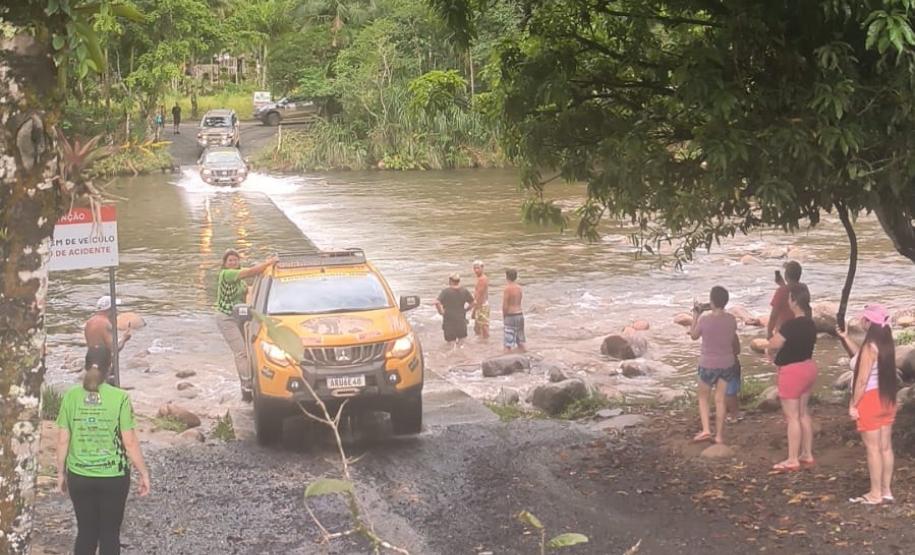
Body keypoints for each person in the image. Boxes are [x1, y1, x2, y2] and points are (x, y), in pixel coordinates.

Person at [56, 345, 150, 555]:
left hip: (79, 475)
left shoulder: (71, 397)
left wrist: (60, 473)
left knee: (86, 532)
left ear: (85, 366)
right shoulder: (120, 397)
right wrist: (144, 473)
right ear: (110, 369)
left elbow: (63, 439)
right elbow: (131, 442)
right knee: (109, 534)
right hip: (113, 477)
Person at [837, 305, 897, 505]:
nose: (861, 321)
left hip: (870, 400)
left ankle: (874, 494)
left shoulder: (870, 346)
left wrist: (854, 404)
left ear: (869, 323)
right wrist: (846, 338)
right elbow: (861, 359)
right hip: (887, 398)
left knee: (873, 449)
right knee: (885, 447)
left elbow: (862, 380)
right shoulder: (884, 343)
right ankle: (886, 490)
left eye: (864, 319)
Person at [767, 283, 817, 472]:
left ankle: (792, 459)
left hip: (792, 372)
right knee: (803, 413)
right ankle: (807, 454)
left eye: (789, 298)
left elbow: (774, 343)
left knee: (792, 417)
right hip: (808, 368)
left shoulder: (791, 325)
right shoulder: (811, 323)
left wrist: (770, 348)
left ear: (794, 301)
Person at [215, 249, 277, 400]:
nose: (233, 262)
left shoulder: (239, 280)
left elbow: (250, 290)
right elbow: (251, 271)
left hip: (240, 316)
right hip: (226, 317)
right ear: (224, 263)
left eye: (235, 260)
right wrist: (269, 262)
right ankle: (247, 385)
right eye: (230, 260)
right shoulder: (227, 274)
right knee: (241, 352)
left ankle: (249, 380)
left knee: (250, 350)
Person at [688, 286, 740, 444]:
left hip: (708, 364)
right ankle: (719, 436)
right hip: (726, 364)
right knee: (720, 399)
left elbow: (694, 336)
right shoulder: (731, 319)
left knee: (703, 397)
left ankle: (706, 430)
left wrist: (696, 316)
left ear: (711, 301)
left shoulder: (705, 319)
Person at [85, 295, 131, 362]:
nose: (116, 311)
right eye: (115, 308)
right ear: (110, 309)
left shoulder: (90, 322)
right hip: (102, 364)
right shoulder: (106, 324)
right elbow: (114, 348)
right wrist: (124, 338)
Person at [435, 273, 474, 349]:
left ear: (450, 281)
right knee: (462, 344)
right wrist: (466, 310)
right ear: (459, 281)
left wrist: (441, 312)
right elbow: (473, 302)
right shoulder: (464, 291)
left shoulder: (445, 292)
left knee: (450, 346)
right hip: (461, 321)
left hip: (449, 322)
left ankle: (453, 360)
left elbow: (437, 302)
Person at [767, 260, 803, 339]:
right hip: (800, 332)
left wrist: (769, 333)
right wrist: (782, 285)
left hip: (784, 334)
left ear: (786, 275)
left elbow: (773, 315)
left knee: (755, 345)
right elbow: (790, 294)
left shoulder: (781, 291)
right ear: (800, 275)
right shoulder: (803, 288)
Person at [502, 269, 525, 352]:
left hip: (511, 316)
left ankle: (506, 361)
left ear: (507, 277)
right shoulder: (519, 288)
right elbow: (520, 300)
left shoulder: (507, 289)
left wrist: (504, 316)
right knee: (520, 341)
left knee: (507, 344)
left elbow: (505, 305)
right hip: (520, 314)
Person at [471, 260, 490, 339]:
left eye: (478, 268)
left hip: (481, 305)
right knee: (477, 328)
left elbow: (479, 296)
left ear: (482, 268)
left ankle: (486, 342)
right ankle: (481, 344)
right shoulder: (480, 278)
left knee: (483, 326)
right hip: (481, 305)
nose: (476, 270)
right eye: (474, 268)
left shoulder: (482, 279)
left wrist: (474, 310)